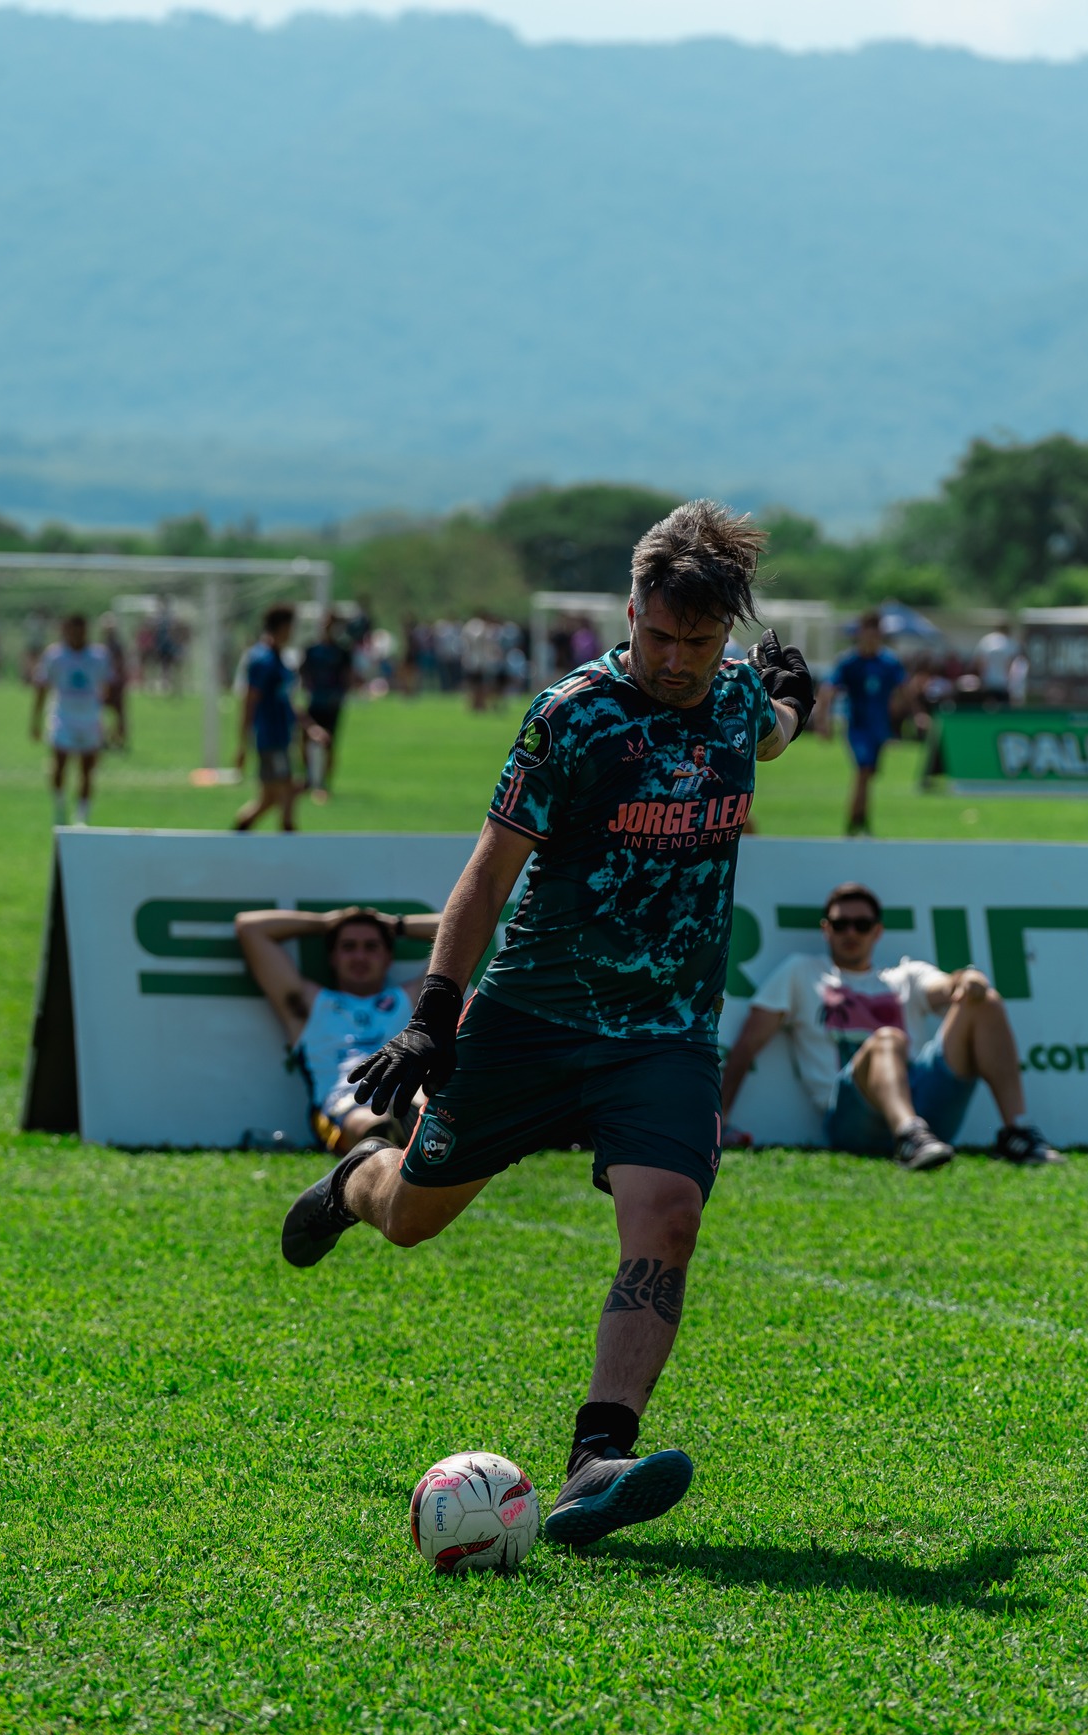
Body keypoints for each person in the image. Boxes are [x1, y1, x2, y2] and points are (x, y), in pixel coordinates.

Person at [277, 500, 815, 1546]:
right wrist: (434, 1013)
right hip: (529, 1014)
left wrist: (800, 702)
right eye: (657, 636)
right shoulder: (572, 715)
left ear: (725, 638)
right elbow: (488, 872)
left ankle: (595, 1456)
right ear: (629, 611)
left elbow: (773, 725)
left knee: (668, 1217)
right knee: (416, 1215)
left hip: (662, 1035)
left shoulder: (736, 697)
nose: (673, 660)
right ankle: (355, 1179)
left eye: (697, 644)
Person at [720, 881, 1060, 1170]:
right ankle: (909, 1134)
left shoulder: (905, 976)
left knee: (984, 1000)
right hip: (851, 1114)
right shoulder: (800, 972)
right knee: (888, 1040)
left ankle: (1017, 1131)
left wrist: (968, 978)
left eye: (862, 925)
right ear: (826, 929)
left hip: (926, 1104)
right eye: (841, 925)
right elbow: (747, 1046)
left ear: (877, 931)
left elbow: (947, 987)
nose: (851, 933)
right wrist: (716, 1124)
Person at [235, 905, 444, 1153]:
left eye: (371, 947)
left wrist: (396, 925)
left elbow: (466, 925)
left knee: (421, 1097)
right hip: (347, 1105)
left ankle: (410, 1127)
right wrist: (326, 923)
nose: (359, 957)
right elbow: (250, 927)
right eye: (348, 947)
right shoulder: (310, 1004)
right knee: (369, 1121)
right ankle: (397, 1134)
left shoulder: (414, 999)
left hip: (409, 1091)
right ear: (332, 957)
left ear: (389, 957)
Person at [820, 609, 905, 836]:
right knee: (863, 772)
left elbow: (902, 690)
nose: (870, 638)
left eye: (875, 633)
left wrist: (903, 715)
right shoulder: (850, 662)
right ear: (860, 633)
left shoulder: (888, 661)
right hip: (857, 727)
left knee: (868, 776)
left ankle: (861, 819)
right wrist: (823, 721)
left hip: (879, 729)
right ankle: (853, 824)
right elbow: (828, 691)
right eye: (867, 632)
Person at [31, 613, 110, 827]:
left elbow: (109, 689)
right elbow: (42, 687)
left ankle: (82, 816)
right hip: (62, 717)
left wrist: (112, 720)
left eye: (80, 629)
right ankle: (59, 805)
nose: (76, 634)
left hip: (90, 719)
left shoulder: (99, 656)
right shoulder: (55, 656)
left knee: (87, 769)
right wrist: (35, 720)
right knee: (59, 765)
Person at [233, 605, 300, 831]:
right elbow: (249, 702)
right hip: (270, 738)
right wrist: (242, 744)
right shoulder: (261, 660)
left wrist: (307, 726)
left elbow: (285, 699)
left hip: (283, 736)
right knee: (287, 793)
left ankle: (237, 834)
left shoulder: (281, 658)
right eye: (292, 626)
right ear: (282, 627)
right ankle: (290, 849)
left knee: (269, 799)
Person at [300, 611, 354, 801]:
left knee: (329, 743)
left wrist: (342, 694)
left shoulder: (342, 651)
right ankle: (308, 777)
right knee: (305, 739)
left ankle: (323, 782)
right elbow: (303, 672)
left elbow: (348, 675)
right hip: (314, 701)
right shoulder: (312, 649)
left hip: (332, 703)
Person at [100, 614, 131, 751]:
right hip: (106, 684)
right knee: (100, 713)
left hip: (115, 685)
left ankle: (118, 740)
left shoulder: (116, 646)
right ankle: (105, 738)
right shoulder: (102, 646)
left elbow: (120, 665)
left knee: (119, 715)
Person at [973, 619, 1018, 707]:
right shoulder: (1010, 642)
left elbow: (979, 661)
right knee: (1003, 711)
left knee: (987, 709)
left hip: (988, 680)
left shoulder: (986, 640)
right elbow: (1011, 665)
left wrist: (982, 676)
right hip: (1003, 682)